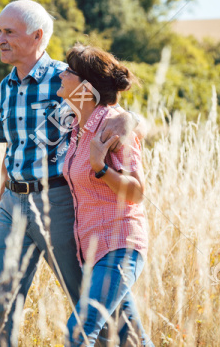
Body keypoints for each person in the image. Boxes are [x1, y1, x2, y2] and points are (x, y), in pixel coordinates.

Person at [0, 0, 144, 346]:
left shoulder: (66, 80)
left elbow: (113, 109)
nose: (0, 39)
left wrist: (128, 119)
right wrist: (1, 202)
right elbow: (9, 151)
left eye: (8, 32)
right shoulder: (4, 89)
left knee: (88, 303)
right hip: (12, 203)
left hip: (58, 201)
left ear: (37, 36)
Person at [57, 44, 152, 347]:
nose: (61, 73)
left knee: (78, 333)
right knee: (132, 340)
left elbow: (136, 192)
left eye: (69, 71)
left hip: (119, 245)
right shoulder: (76, 125)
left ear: (86, 87)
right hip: (93, 252)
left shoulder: (112, 126)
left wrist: (101, 168)